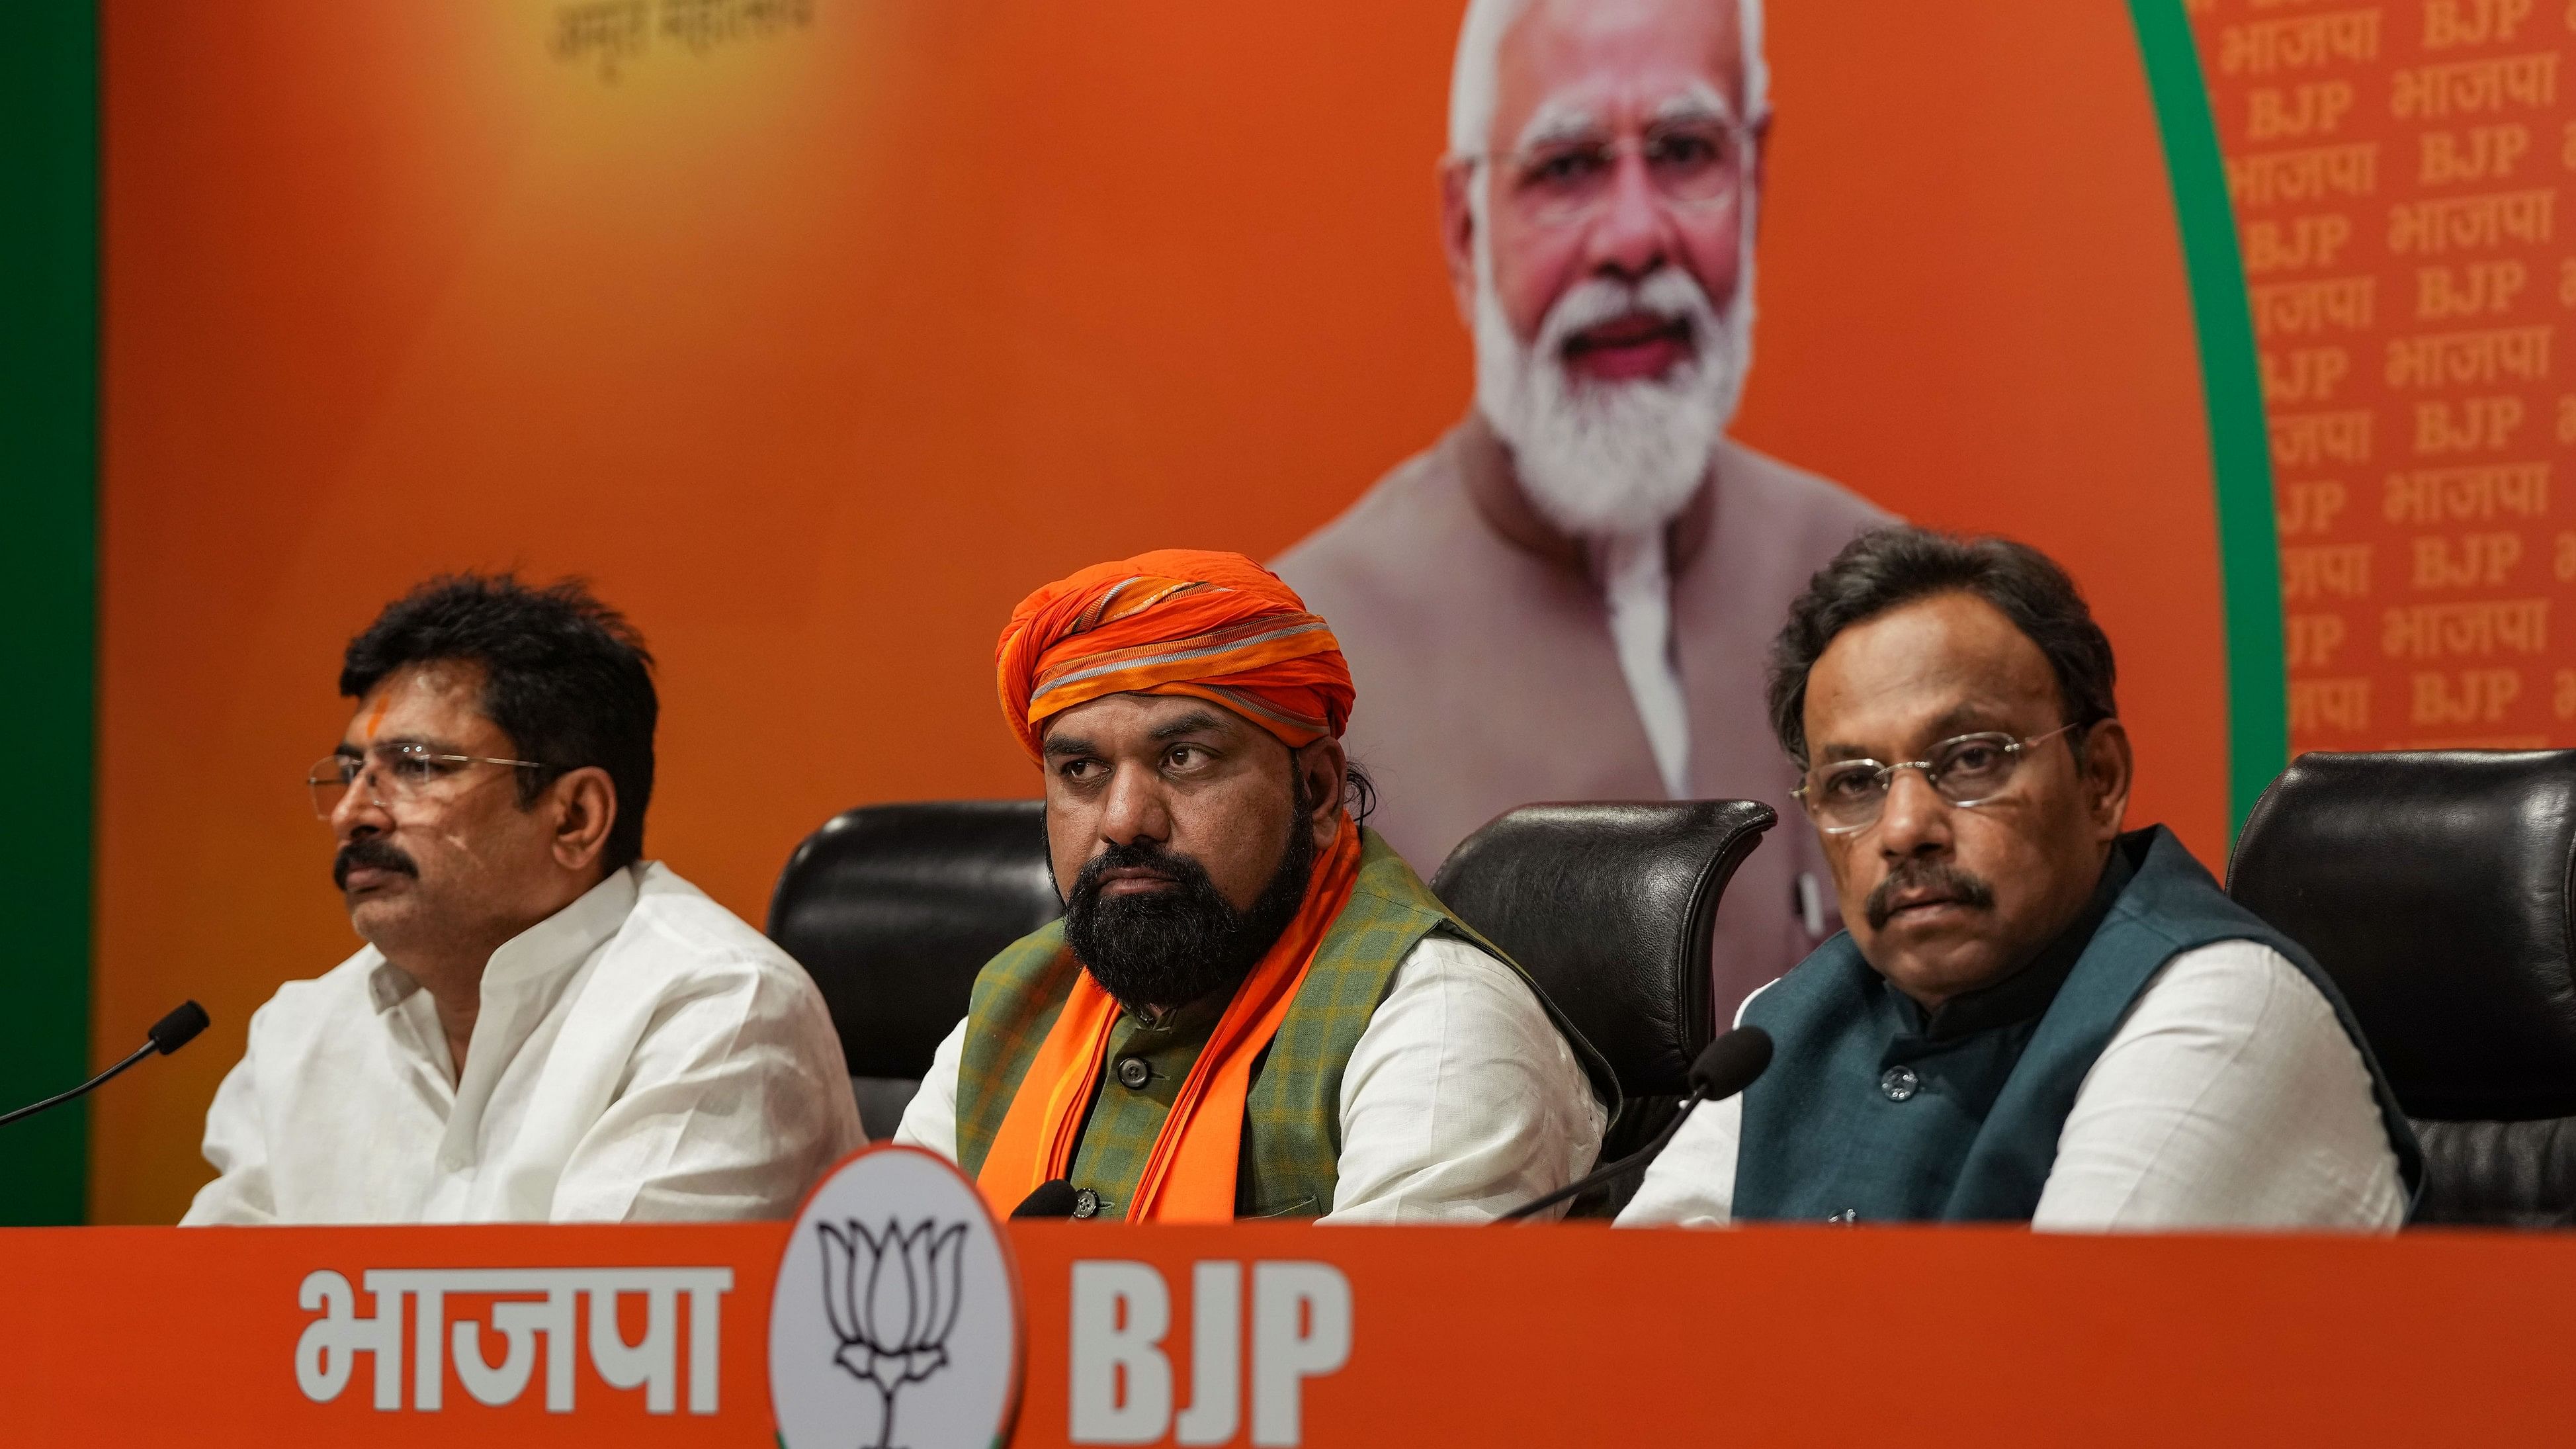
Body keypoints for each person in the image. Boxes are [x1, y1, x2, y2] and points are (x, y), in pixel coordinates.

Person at [1275, 0, 1890, 1022]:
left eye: (1687, 151)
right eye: (1564, 167)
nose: (1636, 238)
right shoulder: (1299, 664)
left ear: (1753, 179)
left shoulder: (1886, 593)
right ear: (1466, 227)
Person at [1619, 528, 2421, 1229]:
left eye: (1970, 760)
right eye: (1856, 783)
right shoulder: (1781, 1027)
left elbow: (2056, 1374)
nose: (1904, 830)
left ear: (2099, 780)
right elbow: (1637, 1334)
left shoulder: (2221, 1008)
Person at [894, 549, 1614, 1222]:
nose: (1124, 822)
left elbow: (1386, 1350)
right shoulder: (1015, 1008)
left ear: (1319, 791)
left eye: (1183, 758)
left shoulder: (1442, 1026)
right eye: (1081, 771)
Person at [183, 576, 861, 1224]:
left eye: (417, 767)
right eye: (354, 773)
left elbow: (607, 1333)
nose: (352, 815)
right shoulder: (302, 1034)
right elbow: (210, 1311)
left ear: (575, 818)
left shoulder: (716, 1011)